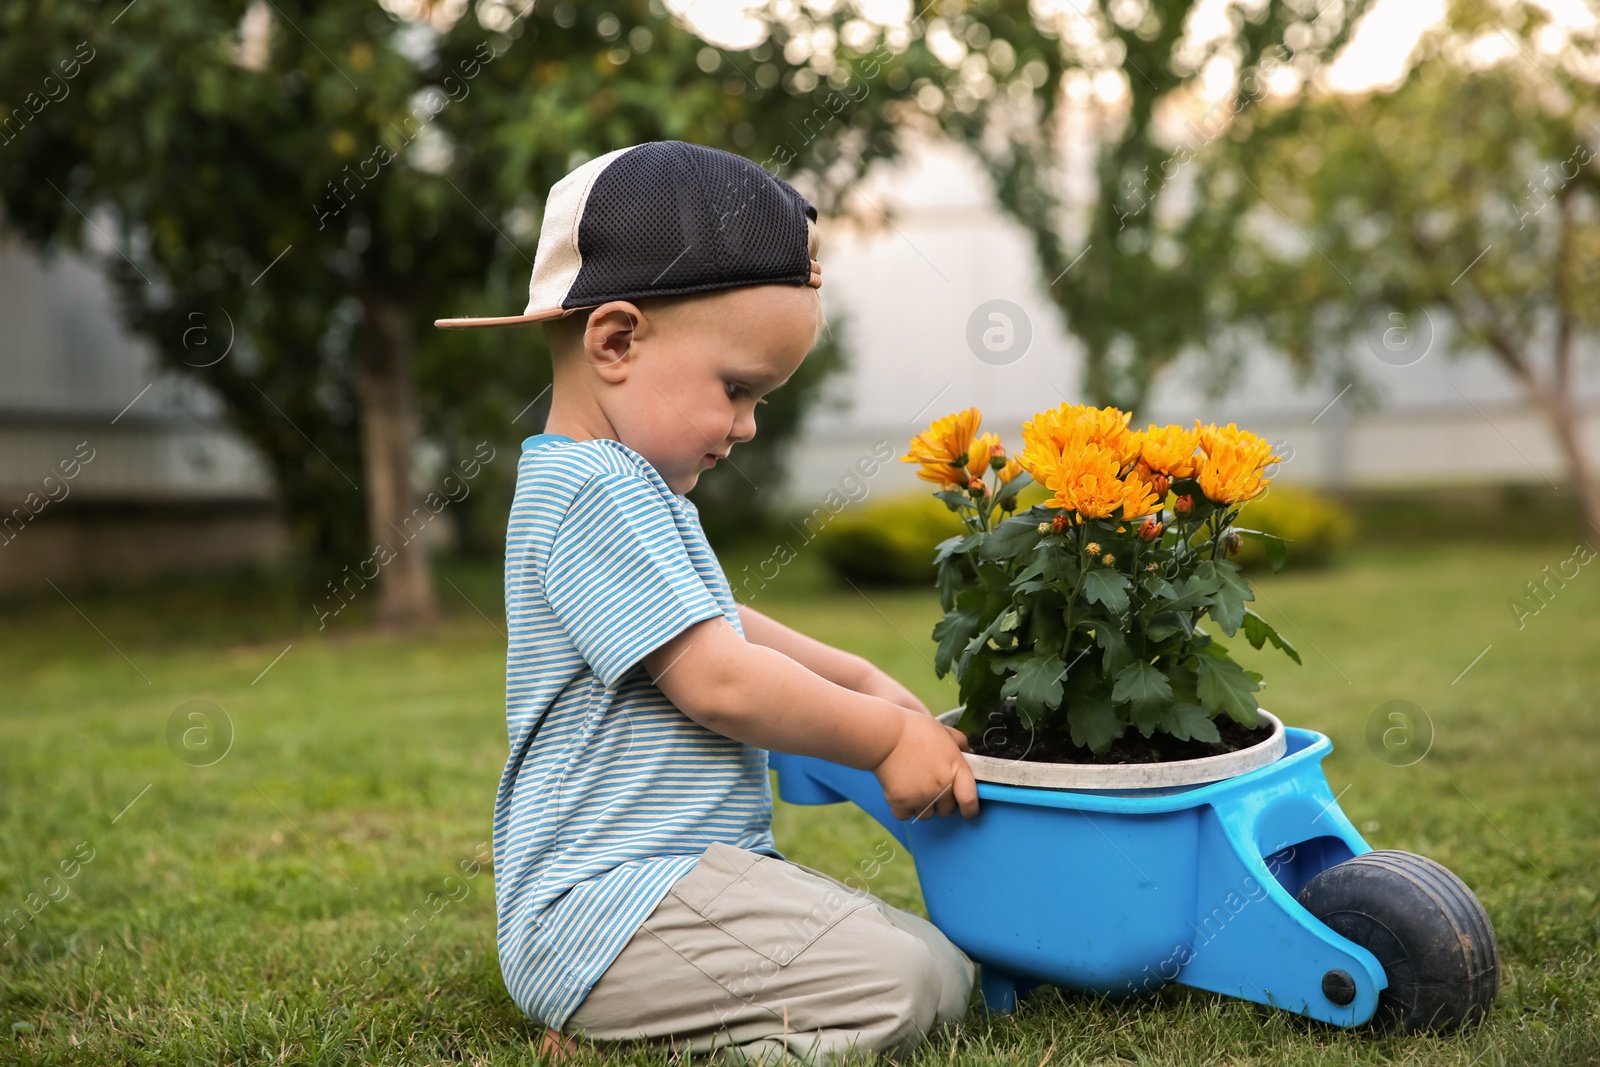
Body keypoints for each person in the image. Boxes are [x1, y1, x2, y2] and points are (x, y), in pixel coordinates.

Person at [435, 141, 980, 1065]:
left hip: (679, 887)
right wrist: (884, 739)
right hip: (608, 908)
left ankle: (637, 1021)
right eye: (737, 390)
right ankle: (625, 1026)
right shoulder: (591, 492)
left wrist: (857, 677)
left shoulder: (629, 487)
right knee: (901, 985)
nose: (746, 426)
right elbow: (720, 680)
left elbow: (726, 625)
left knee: (941, 968)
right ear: (615, 342)